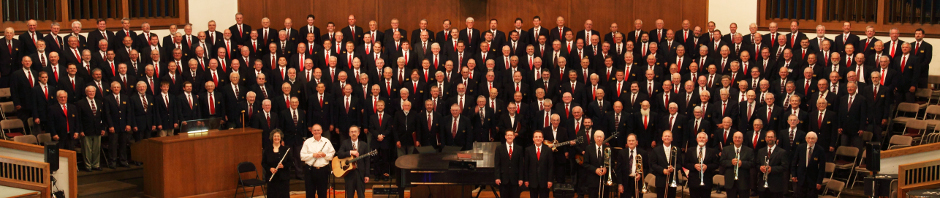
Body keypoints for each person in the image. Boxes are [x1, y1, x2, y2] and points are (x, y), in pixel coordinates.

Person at [299, 124, 335, 198]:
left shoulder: (327, 141)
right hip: (310, 170)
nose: (316, 132)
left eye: (318, 130)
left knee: (322, 194)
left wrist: (324, 155)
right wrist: (313, 155)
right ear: (312, 132)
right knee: (310, 193)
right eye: (314, 130)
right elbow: (302, 156)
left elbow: (332, 155)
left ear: (321, 131)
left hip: (323, 171)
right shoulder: (307, 142)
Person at [78, 85, 107, 171]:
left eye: (93, 92)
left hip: (97, 129)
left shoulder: (99, 102)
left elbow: (103, 117)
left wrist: (103, 128)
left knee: (96, 149)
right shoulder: (80, 103)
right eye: (89, 92)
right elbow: (79, 118)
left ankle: (96, 164)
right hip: (86, 130)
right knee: (87, 149)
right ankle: (88, 166)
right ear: (86, 93)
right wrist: (81, 130)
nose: (91, 93)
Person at [338, 126, 370, 198]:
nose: (353, 133)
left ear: (358, 133)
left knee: (361, 195)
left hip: (360, 173)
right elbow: (339, 154)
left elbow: (367, 161)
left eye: (355, 131)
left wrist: (367, 175)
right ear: (349, 134)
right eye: (352, 132)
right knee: (349, 195)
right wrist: (350, 152)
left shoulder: (364, 145)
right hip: (349, 173)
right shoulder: (345, 143)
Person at [684, 132, 719, 198]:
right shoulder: (689, 150)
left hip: (707, 181)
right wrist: (694, 166)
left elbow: (716, 164)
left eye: (703, 138)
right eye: (700, 138)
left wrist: (707, 167)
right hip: (693, 181)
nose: (701, 139)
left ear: (707, 140)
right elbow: (685, 164)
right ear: (697, 139)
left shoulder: (712, 151)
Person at [791, 132, 825, 198]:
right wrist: (794, 174)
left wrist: (819, 181)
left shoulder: (820, 150)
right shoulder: (800, 147)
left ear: (816, 139)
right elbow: (794, 162)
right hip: (800, 178)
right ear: (806, 139)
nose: (810, 140)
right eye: (809, 138)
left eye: (812, 138)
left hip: (813, 180)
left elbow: (822, 168)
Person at [722, 131, 754, 198]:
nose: (737, 139)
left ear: (742, 139)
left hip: (744, 182)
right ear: (733, 138)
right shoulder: (726, 149)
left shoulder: (749, 150)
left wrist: (742, 163)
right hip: (730, 182)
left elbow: (752, 163)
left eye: (739, 138)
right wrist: (731, 162)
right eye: (735, 137)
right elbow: (722, 162)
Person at [757, 131, 788, 198]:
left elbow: (785, 167)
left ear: (775, 138)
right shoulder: (760, 151)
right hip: (762, 186)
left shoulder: (782, 152)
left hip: (776, 186)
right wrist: (760, 168)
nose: (769, 139)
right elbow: (756, 164)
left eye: (771, 137)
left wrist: (772, 169)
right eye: (768, 137)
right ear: (765, 138)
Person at [263, 130, 292, 198]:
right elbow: (263, 163)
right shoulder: (267, 150)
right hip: (272, 178)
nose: (276, 138)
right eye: (275, 136)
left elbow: (290, 162)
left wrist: (283, 166)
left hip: (283, 178)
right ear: (272, 137)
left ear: (281, 137)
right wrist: (270, 168)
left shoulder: (286, 149)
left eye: (278, 136)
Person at [524, 130, 553, 198]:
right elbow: (526, 166)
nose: (538, 138)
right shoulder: (528, 150)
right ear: (533, 139)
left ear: (543, 139)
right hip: (532, 181)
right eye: (536, 137)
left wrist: (550, 180)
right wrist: (526, 179)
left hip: (544, 181)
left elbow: (550, 166)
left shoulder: (548, 150)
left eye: (540, 137)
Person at [650, 130, 679, 198]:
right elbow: (653, 164)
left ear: (672, 138)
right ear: (662, 138)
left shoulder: (677, 149)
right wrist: (662, 170)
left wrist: (673, 168)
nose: (667, 138)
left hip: (672, 180)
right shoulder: (656, 150)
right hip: (661, 180)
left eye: (669, 136)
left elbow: (680, 164)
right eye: (665, 136)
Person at [495, 130, 523, 198]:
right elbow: (497, 164)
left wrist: (521, 178)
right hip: (503, 179)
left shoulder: (519, 149)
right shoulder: (499, 148)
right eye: (508, 135)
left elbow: (521, 165)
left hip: (515, 180)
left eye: (511, 135)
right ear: (505, 137)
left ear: (514, 136)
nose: (509, 136)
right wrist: (497, 177)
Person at [618, 133, 646, 198]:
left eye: (633, 140)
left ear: (636, 142)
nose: (631, 142)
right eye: (629, 141)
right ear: (627, 142)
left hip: (638, 182)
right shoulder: (621, 153)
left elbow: (647, 168)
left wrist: (640, 175)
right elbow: (619, 170)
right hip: (626, 182)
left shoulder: (643, 153)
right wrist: (620, 184)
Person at [582, 130, 608, 198]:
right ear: (594, 138)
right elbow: (585, 164)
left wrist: (606, 169)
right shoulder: (588, 148)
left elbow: (612, 163)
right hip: (592, 180)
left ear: (603, 138)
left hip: (604, 180)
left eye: (600, 137)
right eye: (597, 137)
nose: (599, 139)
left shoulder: (608, 148)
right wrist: (595, 170)